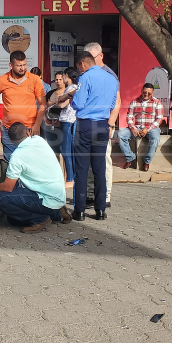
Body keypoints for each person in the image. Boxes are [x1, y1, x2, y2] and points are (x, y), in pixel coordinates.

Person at [0, 122, 71, 233]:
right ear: (28, 133)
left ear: (10, 141)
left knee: (0, 198)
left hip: (44, 197)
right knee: (12, 220)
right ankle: (57, 213)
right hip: (58, 194)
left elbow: (7, 187)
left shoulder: (17, 155)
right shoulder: (40, 141)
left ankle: (41, 219)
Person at [70, 51, 117, 221]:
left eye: (79, 67)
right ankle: (100, 210)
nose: (79, 70)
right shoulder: (112, 78)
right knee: (99, 168)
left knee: (82, 169)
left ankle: (80, 211)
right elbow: (112, 104)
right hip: (103, 125)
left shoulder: (85, 77)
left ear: (82, 63)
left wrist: (72, 98)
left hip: (85, 124)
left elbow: (78, 103)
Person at [0, 52, 47, 161]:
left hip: (29, 129)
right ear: (11, 65)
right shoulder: (2, 80)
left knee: (29, 163)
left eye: (24, 65)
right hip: (8, 130)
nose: (22, 68)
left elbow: (43, 104)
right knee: (10, 163)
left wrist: (37, 124)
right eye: (19, 65)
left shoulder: (34, 80)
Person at [83, 42, 121, 208]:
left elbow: (117, 102)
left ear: (101, 56)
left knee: (103, 160)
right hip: (87, 124)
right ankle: (91, 194)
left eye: (92, 57)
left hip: (102, 124)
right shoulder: (86, 74)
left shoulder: (109, 75)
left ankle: (105, 196)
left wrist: (111, 124)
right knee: (89, 162)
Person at [117, 83, 165, 172]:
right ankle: (130, 157)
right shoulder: (134, 102)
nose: (146, 94)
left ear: (153, 93)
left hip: (151, 127)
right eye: (144, 92)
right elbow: (129, 116)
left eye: (149, 93)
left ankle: (147, 161)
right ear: (141, 91)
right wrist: (133, 128)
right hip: (137, 127)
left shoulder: (157, 103)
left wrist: (148, 129)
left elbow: (159, 119)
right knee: (121, 134)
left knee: (156, 139)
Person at [49, 68, 78, 189]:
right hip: (69, 121)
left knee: (66, 151)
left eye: (63, 76)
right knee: (68, 150)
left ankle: (70, 179)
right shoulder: (72, 88)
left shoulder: (71, 89)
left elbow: (63, 104)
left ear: (67, 76)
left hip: (68, 121)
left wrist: (53, 104)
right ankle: (71, 177)